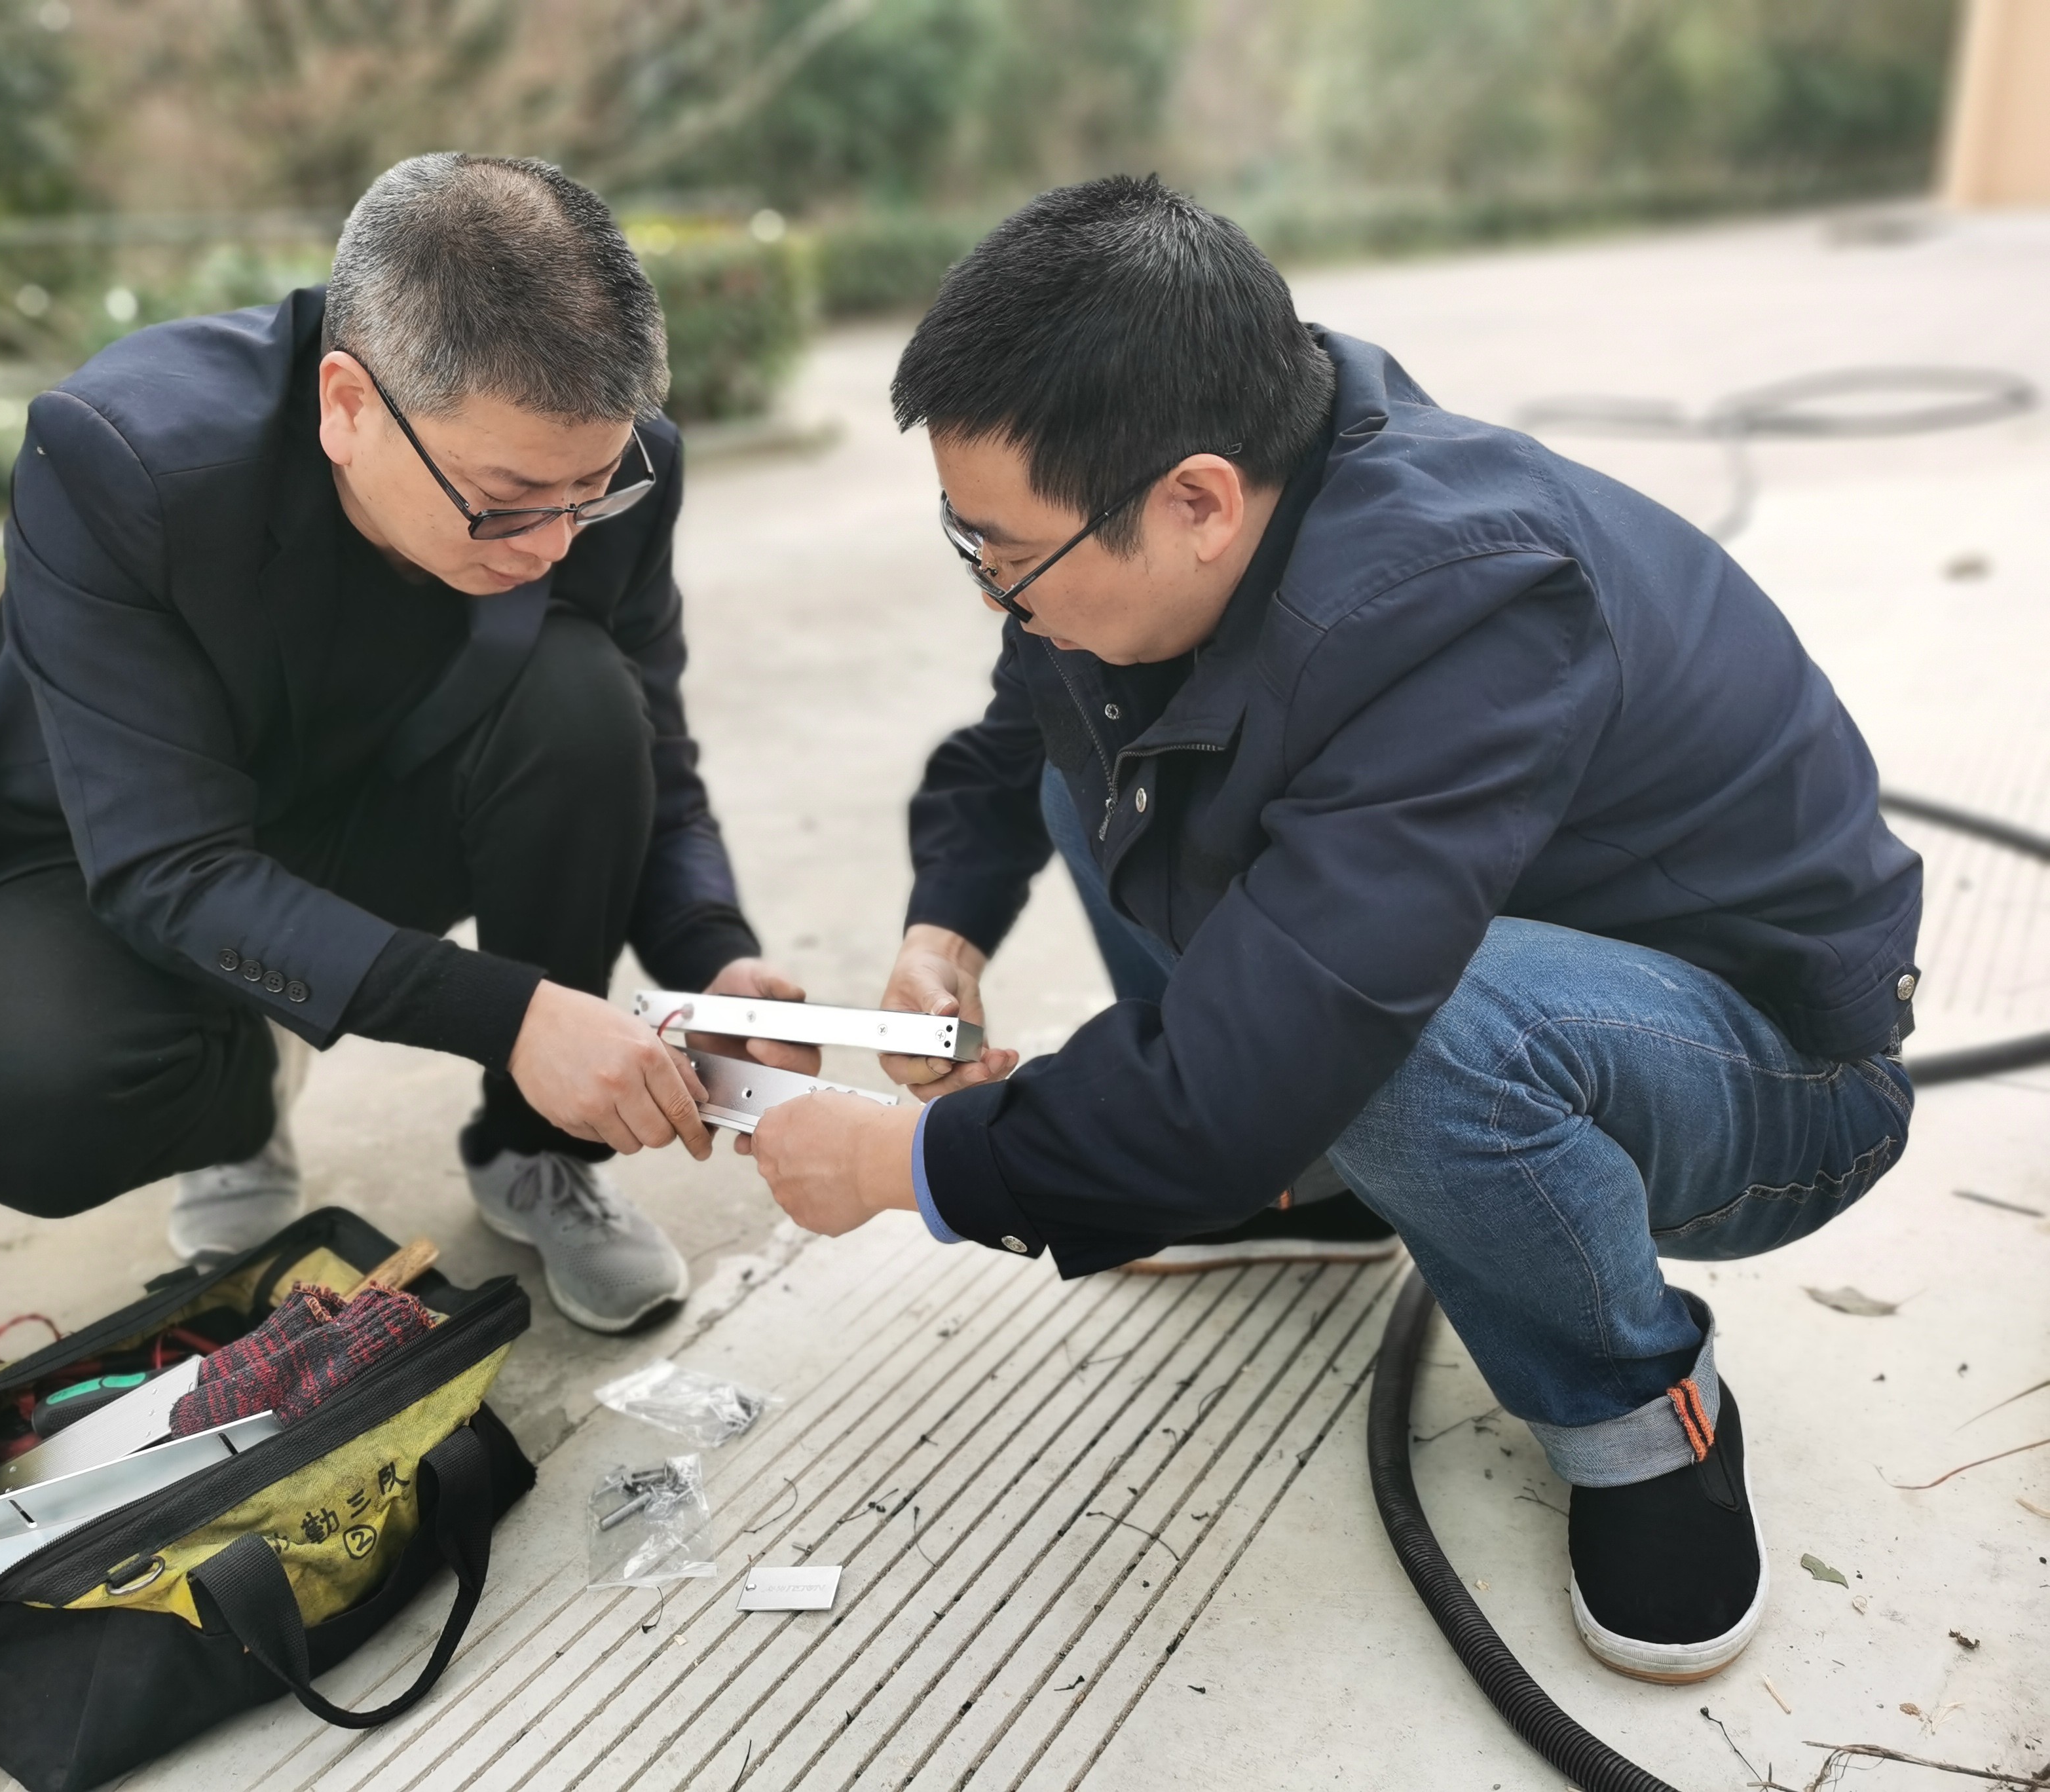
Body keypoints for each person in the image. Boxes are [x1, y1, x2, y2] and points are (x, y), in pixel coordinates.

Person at [744, 176, 1922, 1684]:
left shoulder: (1463, 613)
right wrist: (944, 931)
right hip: (1518, 957)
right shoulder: (1236, 475)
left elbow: (1283, 1035)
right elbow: (1018, 736)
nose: (993, 597)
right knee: (1091, 751)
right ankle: (1305, 1184)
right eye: (965, 542)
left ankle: (1644, 1417)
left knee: (1404, 1046)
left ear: (1197, 501)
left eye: (1007, 554)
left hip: (1774, 1069)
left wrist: (906, 1166)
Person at [0, 153, 814, 1333]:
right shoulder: (122, 457)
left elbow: (653, 754)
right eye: (508, 499)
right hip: (117, 842)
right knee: (31, 1104)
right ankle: (237, 1092)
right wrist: (514, 1013)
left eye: (592, 491)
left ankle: (536, 1149)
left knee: (587, 698)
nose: (555, 542)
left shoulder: (598, 469)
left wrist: (713, 956)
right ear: (347, 404)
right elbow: (166, 863)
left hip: (385, 803)